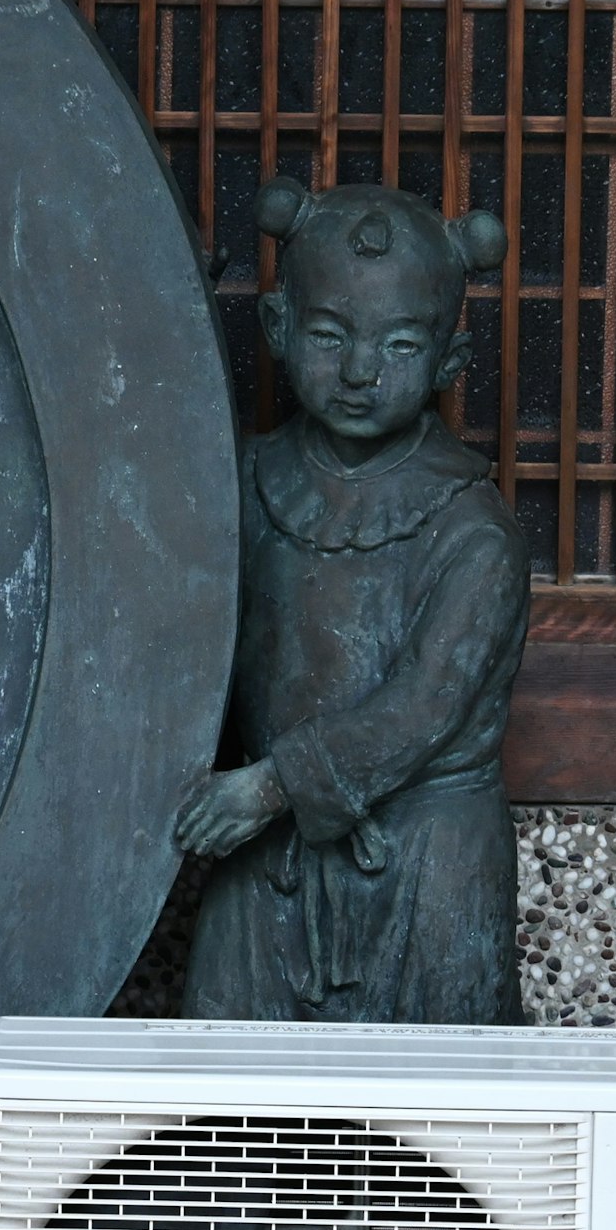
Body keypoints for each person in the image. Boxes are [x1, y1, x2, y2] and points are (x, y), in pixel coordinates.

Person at [175, 179, 526, 1023]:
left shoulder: (474, 528)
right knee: (231, 1123)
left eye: (401, 346)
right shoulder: (241, 485)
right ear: (277, 329)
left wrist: (266, 789)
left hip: (427, 859)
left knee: (438, 1137)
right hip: (269, 854)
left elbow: (421, 706)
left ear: (451, 360)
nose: (362, 371)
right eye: (331, 336)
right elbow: (177, 635)